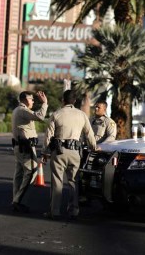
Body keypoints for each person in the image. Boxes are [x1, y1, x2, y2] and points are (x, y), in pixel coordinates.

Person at [43, 89, 97, 220]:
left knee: (57, 182)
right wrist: (93, 147)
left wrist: (45, 152)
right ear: (74, 101)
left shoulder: (56, 114)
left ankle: (54, 211)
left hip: (59, 152)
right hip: (75, 153)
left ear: (63, 100)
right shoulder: (82, 115)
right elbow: (89, 134)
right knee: (73, 182)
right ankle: (74, 210)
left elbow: (48, 136)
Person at [11, 90, 48, 213]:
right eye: (31, 99)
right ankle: (18, 200)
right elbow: (40, 116)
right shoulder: (22, 110)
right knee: (32, 171)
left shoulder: (18, 110)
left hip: (20, 146)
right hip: (25, 147)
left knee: (19, 174)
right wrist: (45, 103)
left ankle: (16, 200)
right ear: (25, 99)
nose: (33, 101)